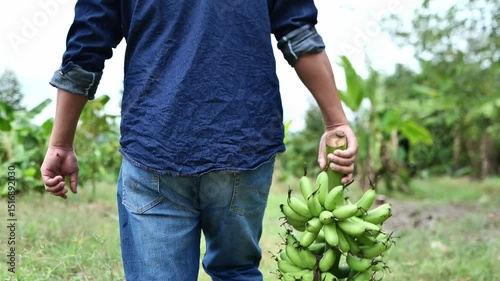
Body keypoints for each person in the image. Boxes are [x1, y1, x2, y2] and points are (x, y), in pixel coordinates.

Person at [41, 0, 358, 280]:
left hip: (155, 140)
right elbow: (298, 33)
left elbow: (87, 46)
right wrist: (336, 121)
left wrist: (61, 144)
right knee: (236, 271)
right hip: (243, 138)